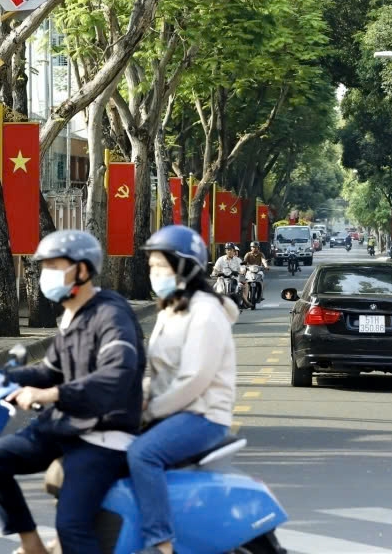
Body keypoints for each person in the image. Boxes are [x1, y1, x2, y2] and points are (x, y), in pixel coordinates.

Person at [0, 231, 145, 554]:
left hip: (103, 434)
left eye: (56, 266)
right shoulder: (71, 316)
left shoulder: (111, 315)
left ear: (82, 270)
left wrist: (49, 395)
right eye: (45, 267)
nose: (47, 275)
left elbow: (117, 374)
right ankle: (32, 544)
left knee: (71, 525)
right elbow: (50, 371)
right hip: (67, 426)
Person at [131, 225, 238, 554]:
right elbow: (154, 369)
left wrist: (150, 412)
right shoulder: (169, 309)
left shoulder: (205, 313)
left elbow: (194, 380)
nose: (154, 273)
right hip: (171, 410)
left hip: (201, 415)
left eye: (161, 266)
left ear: (186, 268)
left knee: (142, 454)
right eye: (151, 266)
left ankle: (162, 543)